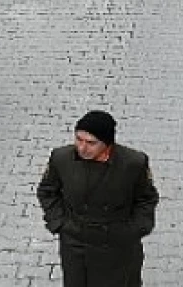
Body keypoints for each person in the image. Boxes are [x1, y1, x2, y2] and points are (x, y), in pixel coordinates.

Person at [37, 110, 159, 287]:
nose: (82, 148)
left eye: (91, 143)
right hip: (76, 243)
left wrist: (135, 229)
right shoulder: (61, 158)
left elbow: (146, 198)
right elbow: (47, 191)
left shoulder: (133, 163)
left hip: (117, 245)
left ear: (107, 144)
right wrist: (59, 223)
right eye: (78, 139)